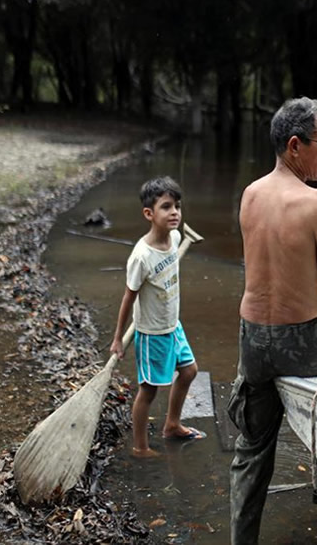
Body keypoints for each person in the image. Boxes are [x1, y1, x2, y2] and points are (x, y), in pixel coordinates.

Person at [228, 97, 317, 545]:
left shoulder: (250, 194)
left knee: (251, 452)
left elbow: (276, 262)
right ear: (294, 145)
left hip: (252, 341)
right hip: (302, 345)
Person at [109, 176, 205, 458]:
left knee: (189, 371)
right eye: (166, 207)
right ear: (149, 214)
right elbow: (129, 297)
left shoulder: (175, 238)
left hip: (173, 325)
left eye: (176, 206)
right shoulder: (141, 257)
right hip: (151, 333)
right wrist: (117, 338)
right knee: (148, 391)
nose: (174, 212)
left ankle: (172, 425)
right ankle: (140, 447)